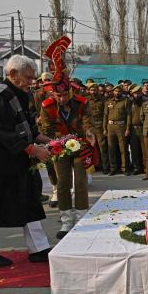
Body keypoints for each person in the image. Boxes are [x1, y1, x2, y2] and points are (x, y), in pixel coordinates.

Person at [0, 55, 52, 267]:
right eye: (28, 77)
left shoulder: (18, 93)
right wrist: (33, 149)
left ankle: (38, 247)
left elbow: (24, 124)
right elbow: (3, 131)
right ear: (13, 74)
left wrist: (44, 139)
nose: (32, 82)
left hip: (15, 161)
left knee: (30, 202)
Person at [40, 83, 90, 239]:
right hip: (59, 148)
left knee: (80, 181)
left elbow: (88, 121)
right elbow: (46, 128)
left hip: (80, 145)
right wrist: (55, 142)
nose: (62, 99)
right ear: (53, 94)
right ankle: (67, 220)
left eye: (65, 95)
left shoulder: (81, 103)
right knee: (62, 183)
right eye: (58, 96)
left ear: (70, 93)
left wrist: (88, 131)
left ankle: (82, 217)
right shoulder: (47, 107)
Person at [103, 84, 131, 176]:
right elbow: (105, 116)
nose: (117, 92)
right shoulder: (108, 102)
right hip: (110, 127)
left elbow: (128, 115)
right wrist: (105, 128)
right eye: (115, 91)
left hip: (121, 126)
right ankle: (113, 168)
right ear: (113, 92)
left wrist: (127, 128)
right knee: (111, 149)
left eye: (119, 91)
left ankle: (125, 168)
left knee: (123, 149)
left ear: (121, 92)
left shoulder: (125, 101)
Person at [86, 82, 109, 174]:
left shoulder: (103, 100)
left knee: (102, 147)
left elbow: (105, 114)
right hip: (90, 126)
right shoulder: (87, 100)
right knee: (92, 147)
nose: (93, 91)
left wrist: (104, 127)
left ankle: (105, 167)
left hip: (100, 126)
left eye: (94, 90)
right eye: (91, 90)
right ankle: (95, 166)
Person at [129, 85, 145, 175]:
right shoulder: (130, 102)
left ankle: (145, 167)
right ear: (132, 94)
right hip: (133, 129)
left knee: (144, 150)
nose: (137, 95)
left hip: (143, 128)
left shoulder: (145, 102)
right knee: (134, 149)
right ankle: (136, 167)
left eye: (138, 93)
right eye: (135, 93)